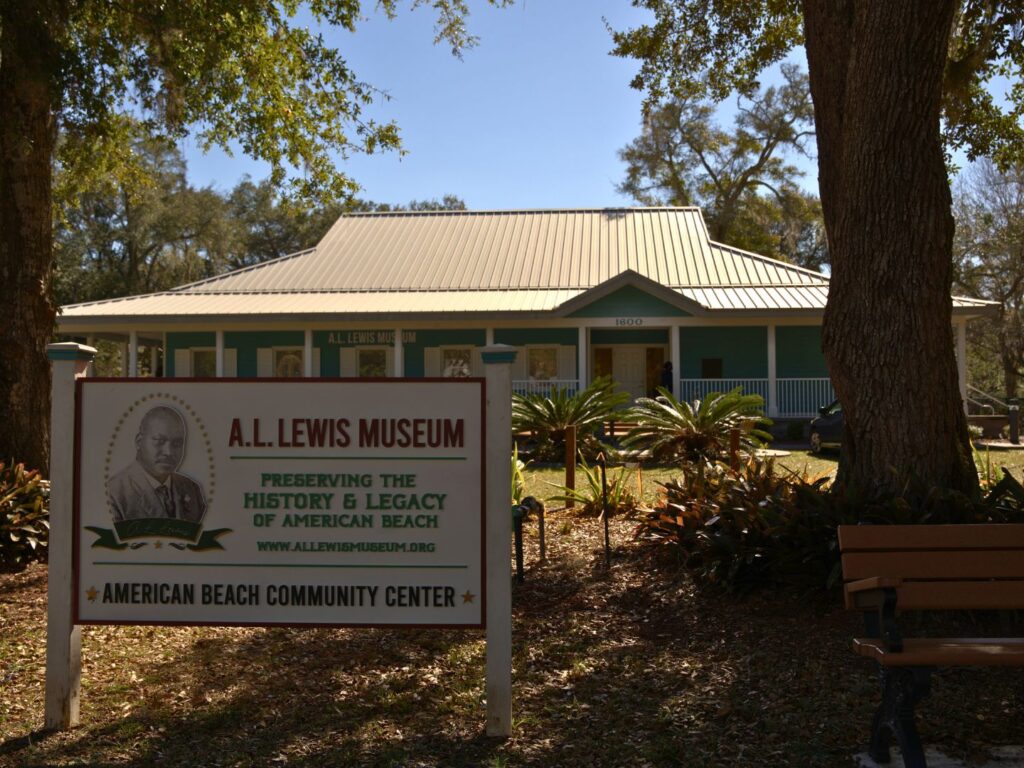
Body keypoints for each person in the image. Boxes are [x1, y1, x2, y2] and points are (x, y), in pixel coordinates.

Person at [107, 406, 207, 523]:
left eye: (177, 443)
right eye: (159, 441)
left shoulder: (192, 489)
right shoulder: (114, 493)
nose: (168, 452)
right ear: (139, 442)